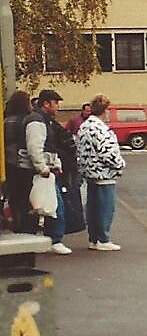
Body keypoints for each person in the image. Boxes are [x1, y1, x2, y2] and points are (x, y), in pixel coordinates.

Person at [19, 90, 70, 254]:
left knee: (41, 205)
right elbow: (35, 148)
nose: (58, 107)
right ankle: (54, 239)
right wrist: (43, 168)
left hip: (40, 170)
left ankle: (38, 239)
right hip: (39, 172)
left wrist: (55, 163)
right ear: (46, 104)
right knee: (53, 206)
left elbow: (47, 147)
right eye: (56, 103)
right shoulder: (37, 122)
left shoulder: (41, 120)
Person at [77, 94, 126, 251]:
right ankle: (103, 239)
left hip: (90, 173)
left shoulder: (85, 126)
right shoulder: (100, 128)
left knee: (93, 208)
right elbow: (107, 152)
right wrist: (120, 165)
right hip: (104, 174)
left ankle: (94, 238)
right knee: (105, 208)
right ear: (104, 110)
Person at [3, 90, 33, 233]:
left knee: (14, 197)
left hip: (8, 164)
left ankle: (16, 223)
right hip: (22, 163)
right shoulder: (25, 121)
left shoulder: (6, 121)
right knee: (25, 197)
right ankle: (25, 226)